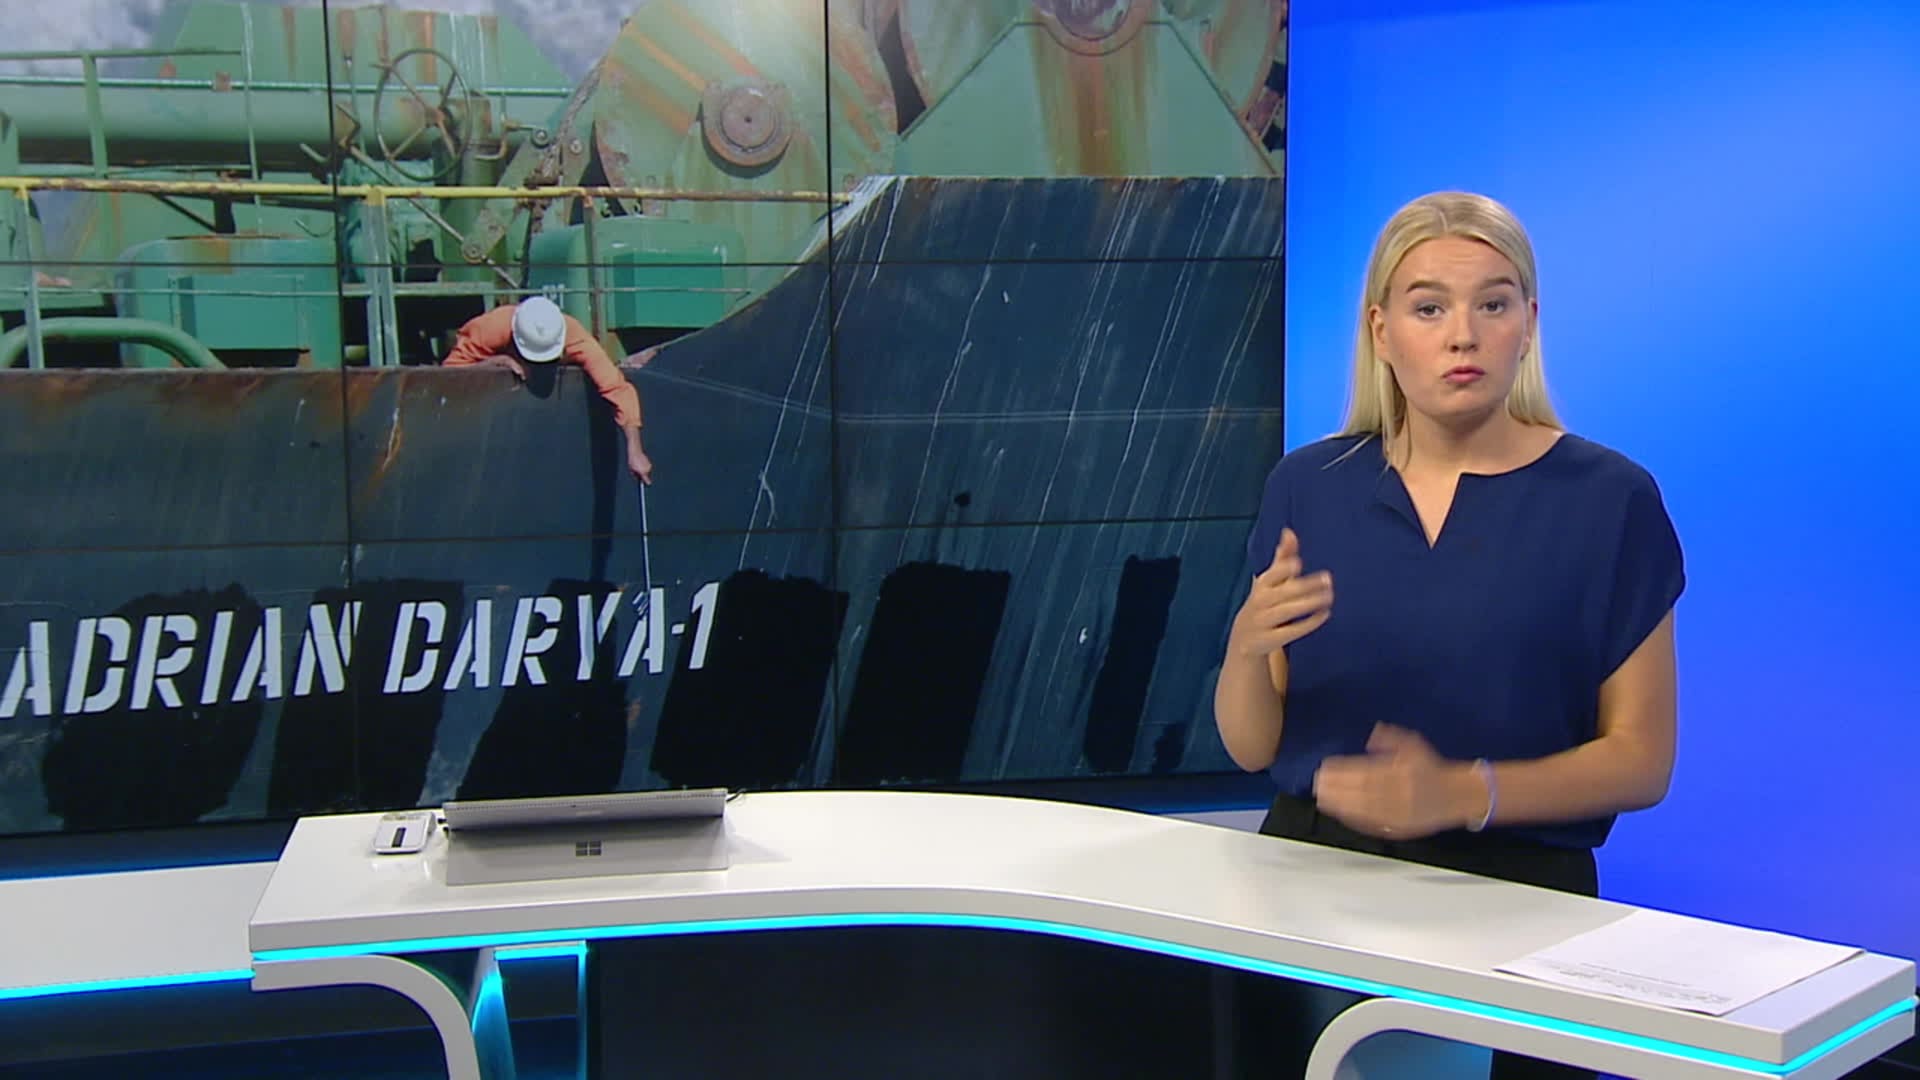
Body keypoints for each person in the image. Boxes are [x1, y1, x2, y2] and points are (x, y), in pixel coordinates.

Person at [1214, 191, 1684, 1080]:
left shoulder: (1610, 500)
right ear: (1382, 332)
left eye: (1492, 305)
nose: (1462, 336)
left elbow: (1642, 762)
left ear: (1528, 324)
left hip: (1524, 906)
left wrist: (1464, 792)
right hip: (1312, 898)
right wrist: (1244, 650)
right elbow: (1252, 746)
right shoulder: (1309, 485)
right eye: (1429, 309)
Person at [443, 296, 654, 484]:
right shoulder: (491, 328)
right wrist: (491, 364)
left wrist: (635, 449)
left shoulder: (574, 335)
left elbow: (617, 388)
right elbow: (448, 372)